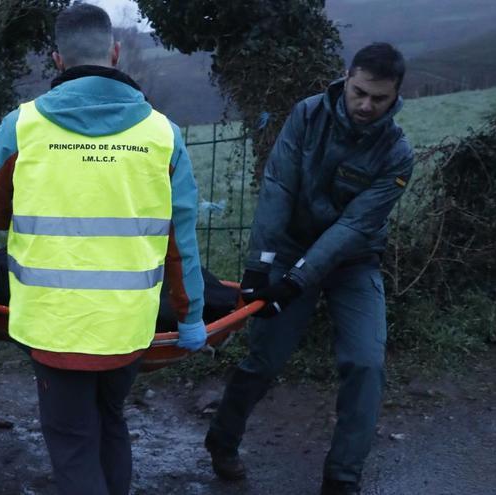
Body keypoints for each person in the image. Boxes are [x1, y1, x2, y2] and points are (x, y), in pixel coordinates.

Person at [0, 4, 207, 494]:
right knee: (111, 421)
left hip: (53, 326)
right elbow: (181, 240)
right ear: (115, 53)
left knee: (72, 443)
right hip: (127, 327)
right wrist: (190, 316)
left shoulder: (22, 126)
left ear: (57, 60)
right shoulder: (163, 135)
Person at [203, 43, 413, 495]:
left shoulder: (397, 154)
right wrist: (260, 268)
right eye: (359, 92)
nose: (366, 105)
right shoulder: (307, 115)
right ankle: (222, 440)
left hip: (352, 261)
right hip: (288, 246)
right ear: (346, 77)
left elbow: (355, 226)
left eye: (379, 99)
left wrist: (298, 281)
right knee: (265, 356)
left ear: (395, 97)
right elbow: (278, 185)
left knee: (365, 362)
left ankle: (342, 478)